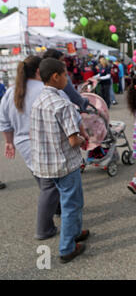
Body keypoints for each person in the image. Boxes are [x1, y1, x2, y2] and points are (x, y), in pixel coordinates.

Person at [0, 56, 89, 239]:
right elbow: (73, 118)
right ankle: (53, 231)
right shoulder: (51, 93)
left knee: (49, 187)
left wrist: (9, 142)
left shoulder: (12, 92)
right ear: (40, 71)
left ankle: (58, 220)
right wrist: (82, 137)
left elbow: (5, 122)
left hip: (25, 146)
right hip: (51, 147)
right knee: (56, 191)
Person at [30, 58, 90, 263]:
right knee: (72, 204)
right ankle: (67, 248)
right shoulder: (62, 103)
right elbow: (74, 140)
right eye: (65, 75)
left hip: (44, 165)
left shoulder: (38, 101)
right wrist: (84, 139)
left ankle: (74, 233)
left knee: (69, 202)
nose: (68, 78)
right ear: (55, 76)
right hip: (64, 165)